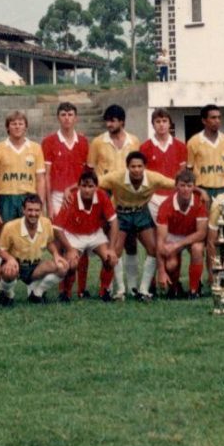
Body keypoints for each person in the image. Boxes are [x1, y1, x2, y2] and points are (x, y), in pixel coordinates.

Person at [99, 151, 175, 300]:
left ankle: (143, 290)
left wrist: (199, 191)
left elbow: (176, 184)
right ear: (127, 167)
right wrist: (71, 189)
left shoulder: (153, 177)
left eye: (140, 166)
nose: (136, 170)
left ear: (145, 167)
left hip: (141, 213)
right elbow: (95, 181)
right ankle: (120, 290)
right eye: (133, 166)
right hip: (121, 213)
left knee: (153, 249)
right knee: (115, 251)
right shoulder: (116, 177)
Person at [86, 104, 141, 296]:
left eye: (113, 121)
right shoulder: (98, 142)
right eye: (107, 121)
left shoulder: (134, 141)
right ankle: (114, 286)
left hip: (128, 195)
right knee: (112, 241)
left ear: (122, 122)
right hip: (107, 195)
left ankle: (133, 287)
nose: (109, 124)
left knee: (131, 242)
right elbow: (90, 170)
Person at [53, 171, 119, 302]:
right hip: (74, 235)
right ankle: (66, 292)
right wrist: (69, 249)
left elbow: (114, 222)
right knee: (71, 263)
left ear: (96, 187)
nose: (87, 190)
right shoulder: (71, 198)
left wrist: (111, 248)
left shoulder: (102, 195)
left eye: (90, 186)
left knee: (111, 259)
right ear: (78, 186)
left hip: (95, 234)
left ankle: (104, 291)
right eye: (84, 186)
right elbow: (57, 228)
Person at [0, 194, 67, 305]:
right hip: (16, 264)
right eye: (30, 210)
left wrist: (56, 254)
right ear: (23, 210)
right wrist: (10, 259)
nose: (33, 214)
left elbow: (49, 242)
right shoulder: (10, 226)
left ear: (41, 211)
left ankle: (37, 293)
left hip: (35, 266)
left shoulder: (46, 223)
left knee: (62, 267)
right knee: (9, 272)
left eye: (36, 210)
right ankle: (7, 294)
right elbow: (1, 250)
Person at [0, 110, 47, 227]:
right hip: (6, 198)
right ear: (7, 127)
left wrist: (40, 206)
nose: (17, 127)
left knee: (28, 234)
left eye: (20, 123)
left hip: (28, 197)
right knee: (5, 234)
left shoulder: (36, 148)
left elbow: (40, 180)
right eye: (13, 124)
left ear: (26, 127)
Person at [155, 170, 209, 298]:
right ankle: (174, 287)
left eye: (189, 186)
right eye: (182, 185)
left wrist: (178, 245)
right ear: (176, 186)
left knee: (197, 248)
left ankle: (194, 290)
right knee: (171, 264)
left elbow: (201, 233)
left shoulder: (199, 202)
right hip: (173, 235)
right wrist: (161, 271)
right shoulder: (165, 206)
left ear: (194, 187)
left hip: (192, 235)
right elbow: (160, 242)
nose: (186, 189)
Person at [42, 101, 90, 217]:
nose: (67, 118)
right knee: (58, 227)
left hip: (79, 192)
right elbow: (46, 175)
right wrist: (49, 205)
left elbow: (87, 173)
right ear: (58, 118)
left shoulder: (83, 142)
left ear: (76, 118)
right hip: (57, 196)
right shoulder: (49, 142)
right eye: (63, 115)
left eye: (70, 115)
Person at [140, 107, 187, 221]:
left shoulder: (180, 146)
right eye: (158, 121)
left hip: (174, 195)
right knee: (157, 229)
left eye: (164, 121)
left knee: (173, 228)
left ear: (170, 123)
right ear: (153, 125)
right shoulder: (144, 147)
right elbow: (143, 175)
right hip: (153, 197)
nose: (161, 124)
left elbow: (182, 173)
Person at [187, 104, 224, 200]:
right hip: (203, 189)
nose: (217, 121)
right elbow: (189, 170)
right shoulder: (194, 141)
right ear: (204, 120)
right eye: (213, 118)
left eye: (219, 117)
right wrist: (196, 189)